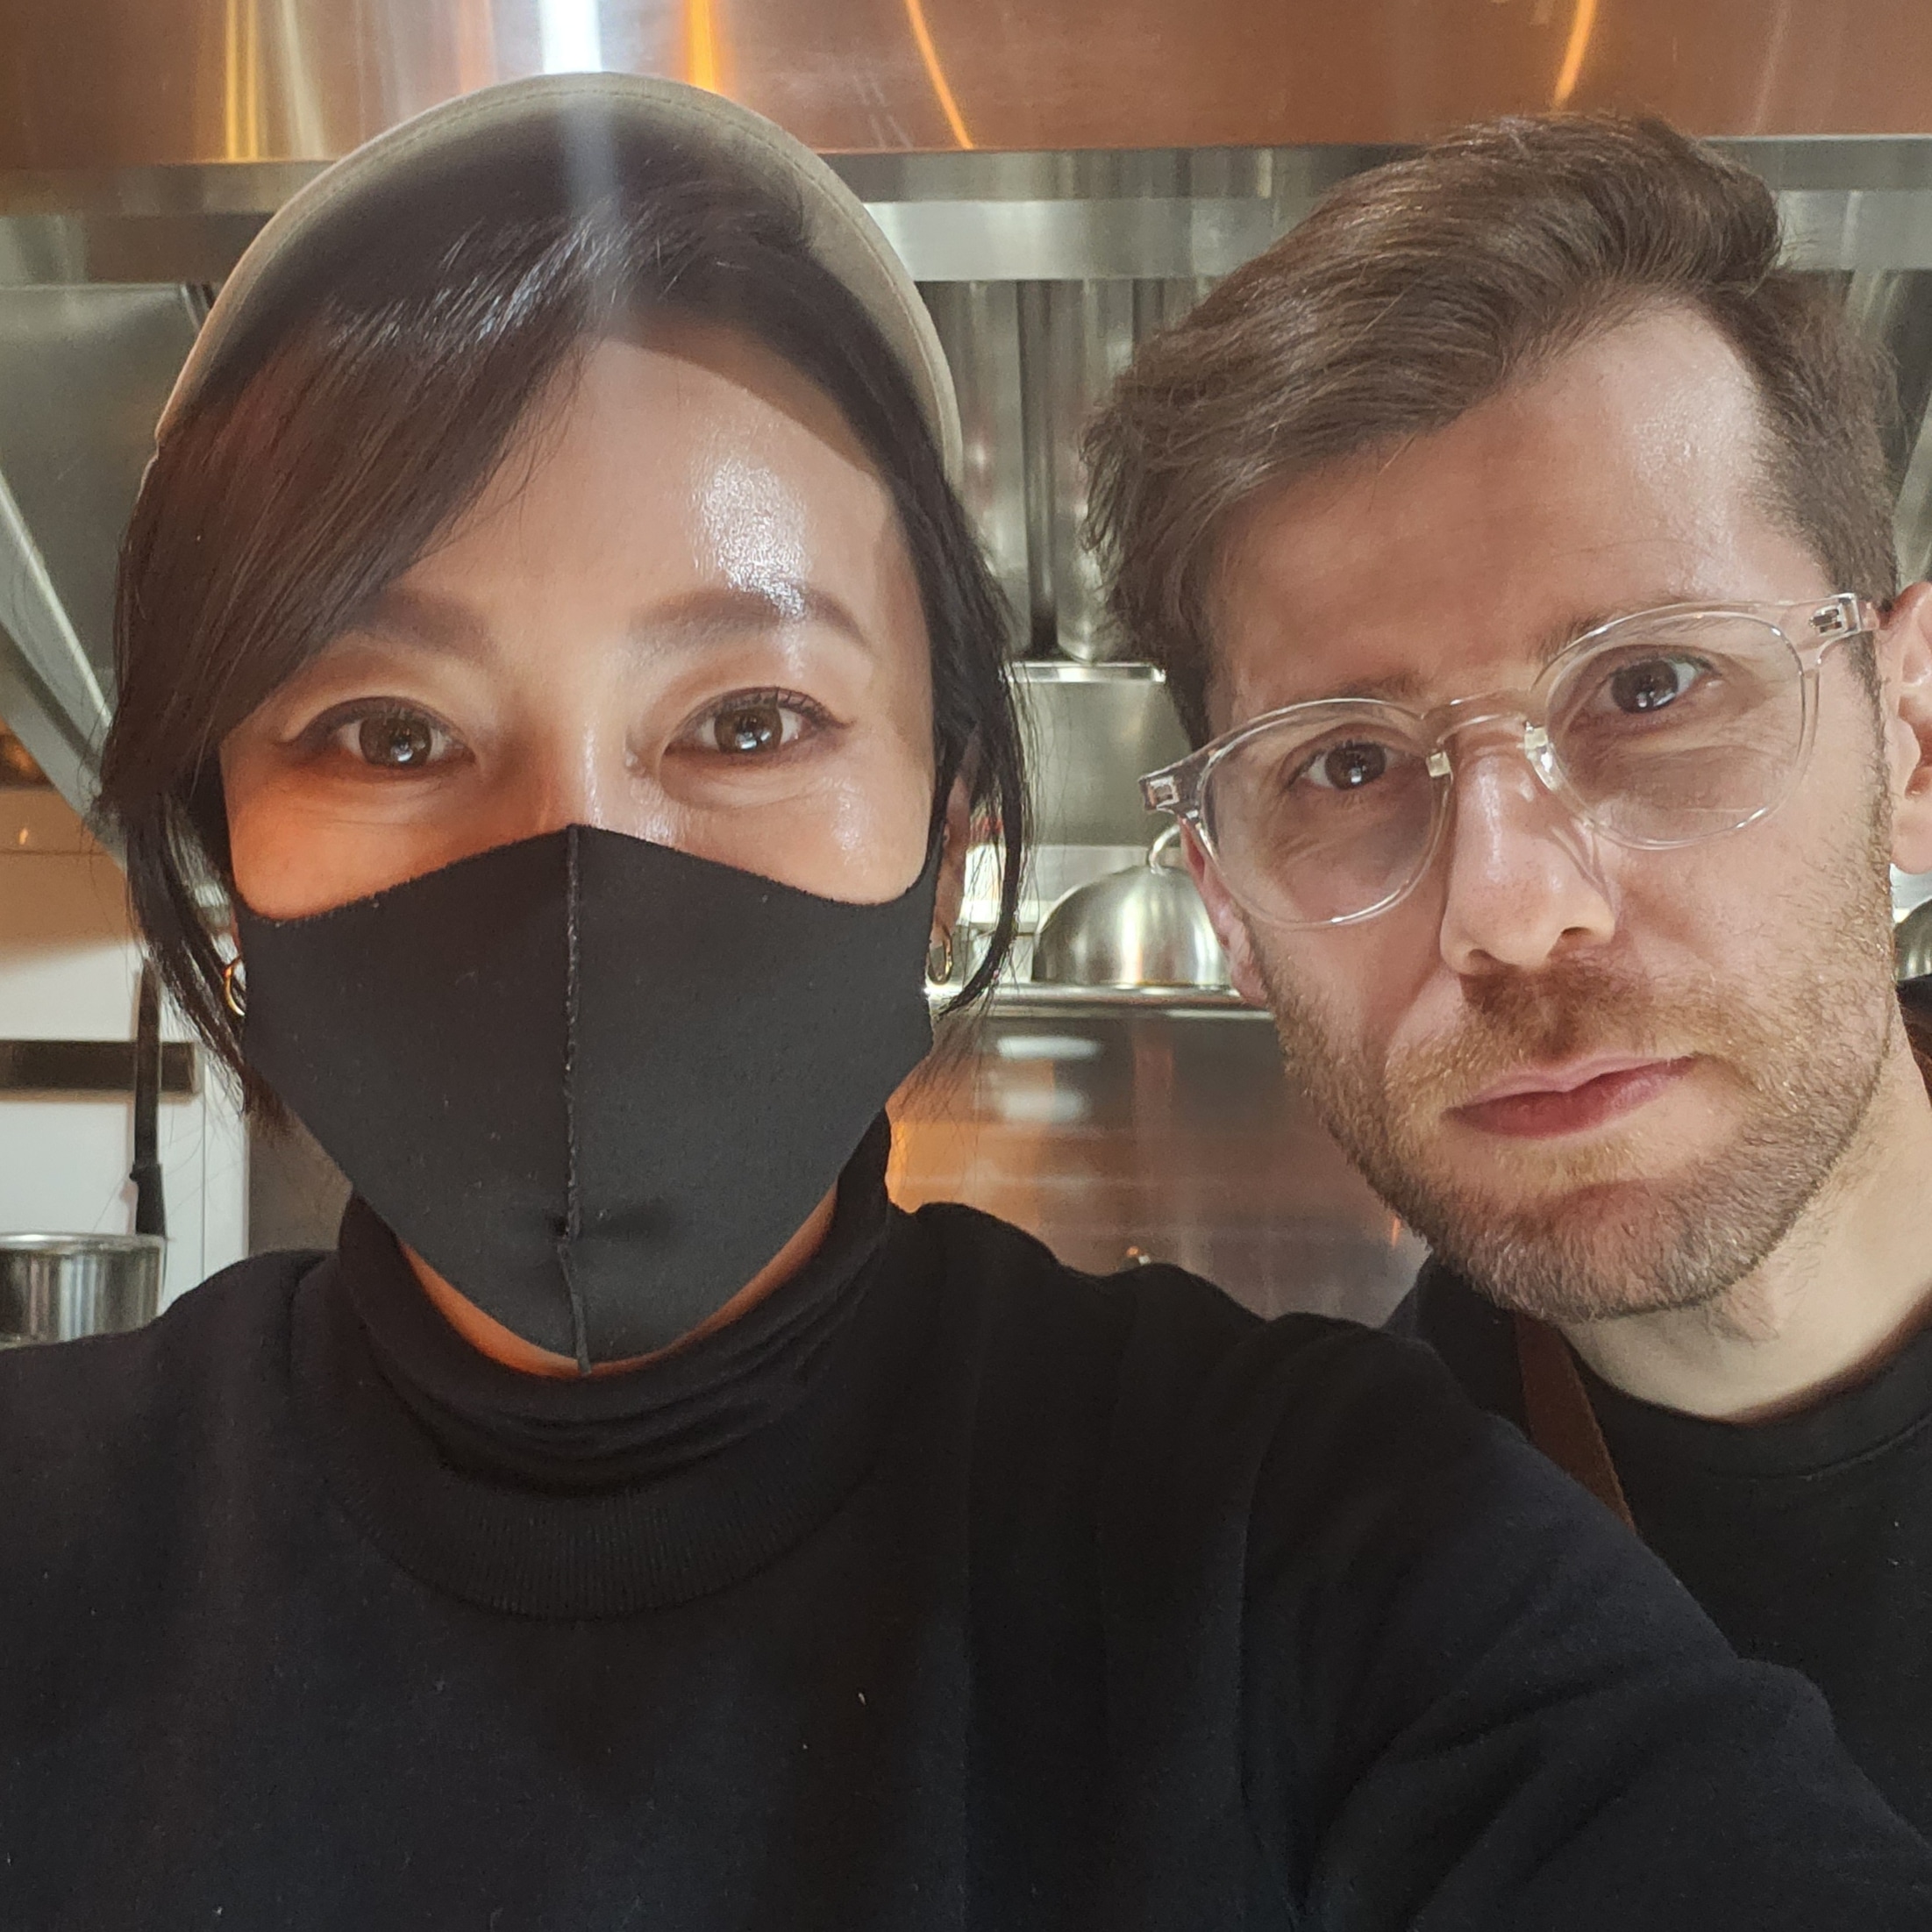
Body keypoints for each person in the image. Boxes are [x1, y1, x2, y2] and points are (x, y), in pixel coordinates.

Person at [4, 76, 1929, 1929]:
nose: (1511, 908)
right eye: (385, 732)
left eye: (748, 720)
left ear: (951, 847)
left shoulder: (1290, 1530)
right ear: (222, 851)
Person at [1092, 112, 1932, 1836]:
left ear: (1911, 732)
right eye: (1344, 765)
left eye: (1650, 687)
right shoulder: (1320, 1638)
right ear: (1227, 909)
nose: (1512, 908)